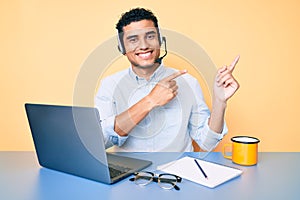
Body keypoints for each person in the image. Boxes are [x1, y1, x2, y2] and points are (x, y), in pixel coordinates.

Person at [95, 8, 239, 152]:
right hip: (130, 172)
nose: (144, 46)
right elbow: (102, 140)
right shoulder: (110, 85)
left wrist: (220, 102)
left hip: (177, 171)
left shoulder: (189, 83)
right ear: (122, 48)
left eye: (150, 36)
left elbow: (207, 143)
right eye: (133, 40)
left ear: (160, 40)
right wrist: (150, 100)